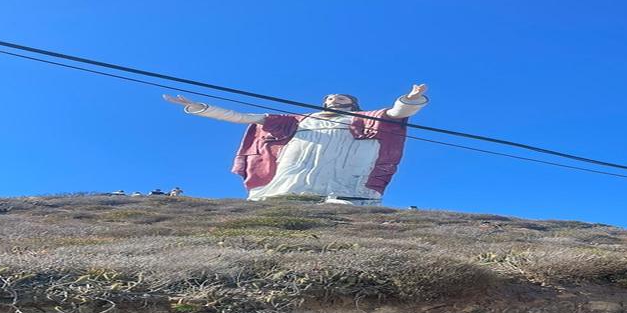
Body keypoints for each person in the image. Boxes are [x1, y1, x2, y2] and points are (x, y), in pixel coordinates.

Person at [164, 84, 429, 205]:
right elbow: (243, 117)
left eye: (339, 98)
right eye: (329, 99)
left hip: (345, 154)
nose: (332, 101)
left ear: (351, 103)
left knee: (340, 183)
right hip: (301, 152)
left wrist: (411, 99)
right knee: (291, 182)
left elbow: (396, 114)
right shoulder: (295, 120)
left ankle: (345, 201)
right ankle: (282, 202)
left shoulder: (363, 117)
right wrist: (200, 107)